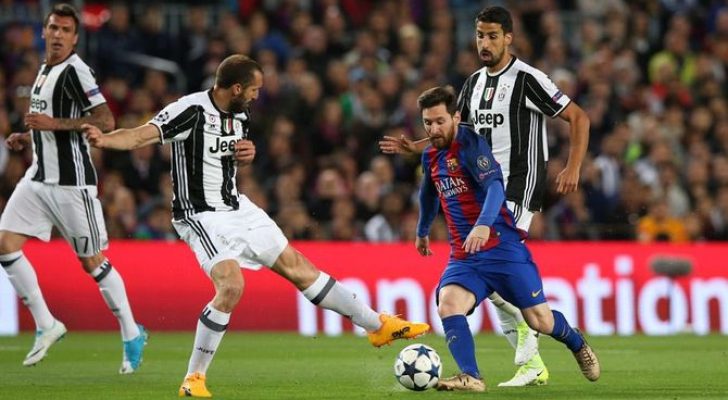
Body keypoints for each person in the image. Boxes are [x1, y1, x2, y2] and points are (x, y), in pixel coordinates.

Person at [82, 54, 430, 398]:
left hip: (238, 206)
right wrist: (105, 140)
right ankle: (193, 379)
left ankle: (377, 326)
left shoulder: (240, 115)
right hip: (200, 214)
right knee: (232, 285)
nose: (256, 96)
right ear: (236, 88)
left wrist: (245, 155)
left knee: (299, 267)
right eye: (254, 90)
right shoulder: (190, 110)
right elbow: (140, 136)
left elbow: (229, 157)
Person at [379, 6, 590, 387]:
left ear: (508, 37)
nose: (485, 43)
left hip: (515, 189)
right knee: (483, 273)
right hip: (478, 187)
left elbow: (579, 117)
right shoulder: (473, 83)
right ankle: (522, 344)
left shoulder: (528, 79)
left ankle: (528, 340)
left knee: (490, 259)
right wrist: (419, 146)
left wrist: (573, 166)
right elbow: (452, 127)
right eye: (480, 35)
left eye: (493, 36)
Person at [413, 85, 599, 392]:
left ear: (456, 117)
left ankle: (577, 342)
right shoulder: (430, 155)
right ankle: (471, 376)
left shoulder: (471, 145)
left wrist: (483, 225)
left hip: (501, 248)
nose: (433, 129)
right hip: (465, 255)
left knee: (540, 321)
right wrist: (422, 231)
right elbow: (428, 194)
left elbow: (495, 187)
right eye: (427, 123)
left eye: (440, 121)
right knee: (448, 304)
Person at [0, 3, 147, 373]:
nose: (58, 35)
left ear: (75, 38)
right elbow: (49, 122)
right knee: (4, 244)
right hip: (38, 178)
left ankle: (132, 332)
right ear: (44, 31)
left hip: (71, 185)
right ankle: (46, 324)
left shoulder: (76, 71)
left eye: (66, 30)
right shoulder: (45, 69)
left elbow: (105, 119)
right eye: (53, 28)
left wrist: (52, 124)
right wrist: (28, 135)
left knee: (92, 262)